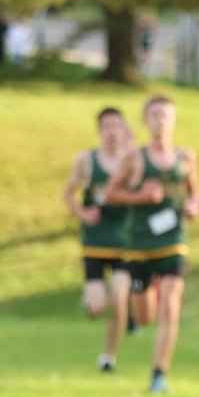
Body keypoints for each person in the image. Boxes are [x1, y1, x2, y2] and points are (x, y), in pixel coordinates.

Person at [110, 94, 199, 395]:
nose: (161, 121)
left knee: (171, 307)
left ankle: (159, 375)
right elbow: (111, 194)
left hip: (174, 241)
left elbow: (195, 193)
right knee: (147, 315)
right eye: (155, 115)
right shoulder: (135, 159)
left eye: (166, 115)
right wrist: (141, 198)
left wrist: (193, 207)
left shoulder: (185, 158)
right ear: (146, 121)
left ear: (174, 121)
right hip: (140, 244)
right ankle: (135, 310)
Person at [61, 106, 138, 371]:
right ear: (100, 131)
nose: (112, 133)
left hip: (125, 241)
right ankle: (98, 302)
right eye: (107, 127)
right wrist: (83, 213)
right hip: (95, 241)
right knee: (96, 309)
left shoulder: (132, 161)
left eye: (117, 126)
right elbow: (68, 194)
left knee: (118, 298)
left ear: (123, 129)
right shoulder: (86, 160)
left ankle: (108, 356)